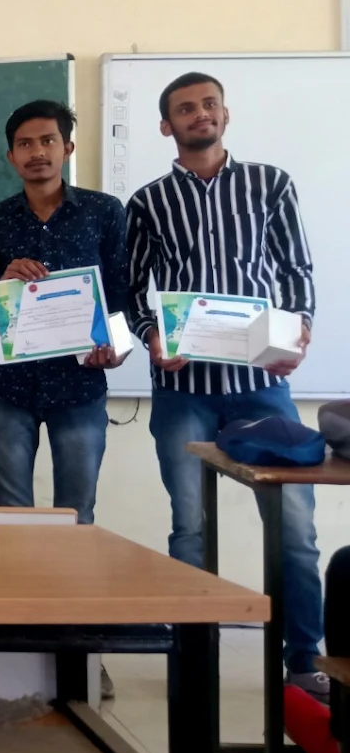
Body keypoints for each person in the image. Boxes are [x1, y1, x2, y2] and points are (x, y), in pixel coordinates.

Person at [126, 72, 325, 701]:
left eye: (209, 104)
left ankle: (305, 660)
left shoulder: (270, 184)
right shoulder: (148, 202)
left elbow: (295, 269)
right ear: (167, 126)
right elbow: (132, 289)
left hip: (260, 385)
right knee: (189, 526)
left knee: (296, 531)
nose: (200, 115)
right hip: (183, 387)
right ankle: (195, 661)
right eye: (185, 109)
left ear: (225, 114)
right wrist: (151, 335)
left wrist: (297, 331)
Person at [0, 101, 128, 527]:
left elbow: (121, 291)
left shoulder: (104, 211)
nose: (37, 151)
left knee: (77, 513)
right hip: (10, 387)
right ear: (11, 156)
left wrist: (117, 347)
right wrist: (4, 280)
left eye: (48, 140)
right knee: (11, 515)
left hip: (80, 384)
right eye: (25, 144)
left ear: (68, 148)